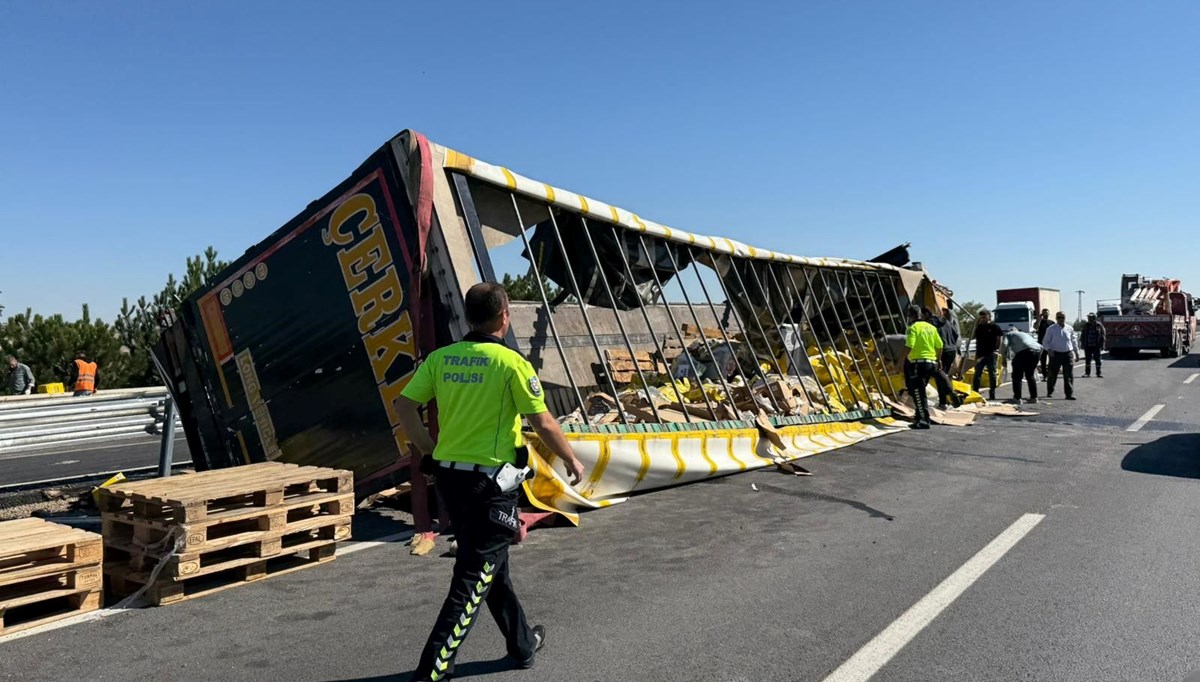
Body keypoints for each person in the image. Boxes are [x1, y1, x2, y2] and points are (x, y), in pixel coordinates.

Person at [396, 282, 587, 682]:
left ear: (469, 317)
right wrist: (571, 459)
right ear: (504, 315)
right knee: (472, 578)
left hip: (450, 480)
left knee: (490, 567)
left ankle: (522, 646)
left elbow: (405, 405)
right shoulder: (511, 363)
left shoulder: (440, 359)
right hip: (491, 489)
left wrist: (429, 448)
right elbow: (542, 420)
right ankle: (432, 670)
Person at [904, 305, 943, 429]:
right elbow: (940, 345)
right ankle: (919, 417)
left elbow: (909, 345)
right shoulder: (931, 328)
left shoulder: (912, 328)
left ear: (911, 315)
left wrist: (900, 362)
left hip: (917, 363)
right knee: (921, 392)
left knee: (918, 392)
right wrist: (939, 359)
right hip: (930, 363)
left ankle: (923, 420)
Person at [922, 309, 960, 409]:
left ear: (926, 314)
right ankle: (947, 398)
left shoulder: (931, 324)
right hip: (951, 350)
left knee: (939, 375)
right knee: (943, 375)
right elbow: (956, 335)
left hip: (941, 351)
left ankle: (943, 401)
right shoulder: (946, 321)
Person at [1042, 311, 1079, 400]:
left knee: (1068, 375)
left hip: (1067, 354)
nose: (1061, 319)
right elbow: (1045, 342)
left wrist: (1076, 353)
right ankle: (1050, 391)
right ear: (1056, 318)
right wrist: (1049, 350)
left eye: (1063, 317)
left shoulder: (1069, 328)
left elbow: (1074, 341)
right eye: (1059, 317)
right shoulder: (1051, 329)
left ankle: (1069, 394)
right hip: (1055, 354)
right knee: (1052, 374)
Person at [971, 310, 1003, 401]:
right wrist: (976, 324)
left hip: (991, 353)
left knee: (992, 374)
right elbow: (972, 336)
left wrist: (997, 350)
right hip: (980, 354)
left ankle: (992, 393)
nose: (983, 319)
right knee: (977, 373)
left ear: (989, 317)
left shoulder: (995, 327)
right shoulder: (979, 327)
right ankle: (975, 392)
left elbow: (999, 339)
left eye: (984, 317)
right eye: (981, 318)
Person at [1004, 329, 1042, 404]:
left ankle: (1017, 398)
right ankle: (1034, 397)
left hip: (1023, 351)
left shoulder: (1009, 334)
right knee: (1030, 375)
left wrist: (1002, 358)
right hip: (1037, 351)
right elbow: (1040, 346)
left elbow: (1004, 345)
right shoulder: (1026, 334)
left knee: (1017, 376)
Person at [1081, 312, 1106, 378]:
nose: (1089, 318)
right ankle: (1087, 373)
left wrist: (1103, 345)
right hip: (1088, 345)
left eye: (1090, 317)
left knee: (1098, 360)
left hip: (1096, 346)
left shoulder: (1099, 325)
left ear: (1094, 318)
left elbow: (1103, 336)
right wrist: (1082, 344)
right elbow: (1082, 335)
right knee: (1088, 360)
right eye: (1088, 317)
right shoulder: (1086, 325)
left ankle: (1098, 373)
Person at [939, 304, 961, 376]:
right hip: (952, 348)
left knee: (942, 371)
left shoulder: (942, 324)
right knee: (946, 371)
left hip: (945, 349)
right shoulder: (951, 323)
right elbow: (956, 334)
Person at [1035, 308, 1053, 377]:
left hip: (1050, 344)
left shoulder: (1051, 322)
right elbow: (1035, 327)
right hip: (1041, 344)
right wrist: (1039, 319)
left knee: (1052, 360)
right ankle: (1045, 375)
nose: (1045, 314)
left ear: (1049, 314)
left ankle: (1050, 374)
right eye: (1044, 312)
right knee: (1043, 361)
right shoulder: (1040, 322)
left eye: (1046, 312)